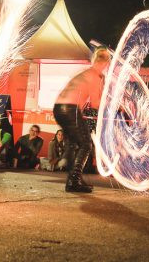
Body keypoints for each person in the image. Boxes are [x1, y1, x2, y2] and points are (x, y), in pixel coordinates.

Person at [53, 46, 111, 193]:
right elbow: (96, 104)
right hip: (70, 109)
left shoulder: (87, 72)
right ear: (107, 62)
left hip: (59, 108)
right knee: (86, 144)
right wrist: (109, 98)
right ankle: (73, 180)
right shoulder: (96, 76)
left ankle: (74, 179)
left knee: (74, 143)